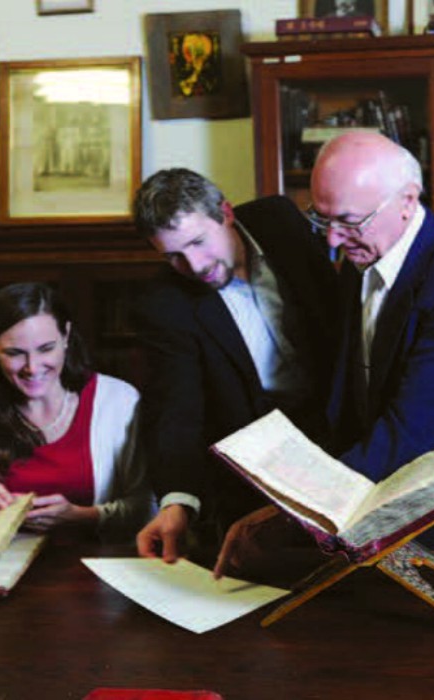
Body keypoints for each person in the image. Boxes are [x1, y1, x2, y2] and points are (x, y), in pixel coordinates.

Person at [217, 131, 434, 569]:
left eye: (349, 221)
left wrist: (288, 516)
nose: (332, 240)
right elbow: (353, 395)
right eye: (321, 218)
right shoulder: (363, 251)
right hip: (409, 497)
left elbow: (410, 430)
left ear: (408, 200)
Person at [131, 168, 336, 563]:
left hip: (343, 441)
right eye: (173, 255)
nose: (193, 265)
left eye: (197, 242)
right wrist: (177, 501)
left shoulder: (281, 222)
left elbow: (339, 318)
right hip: (256, 472)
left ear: (226, 213)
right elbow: (177, 410)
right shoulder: (164, 304)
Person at [0, 282, 152, 542]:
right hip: (5, 568)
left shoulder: (119, 402)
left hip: (100, 564)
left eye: (46, 349)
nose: (32, 367)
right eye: (14, 353)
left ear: (66, 336)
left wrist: (81, 515)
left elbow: (148, 510)